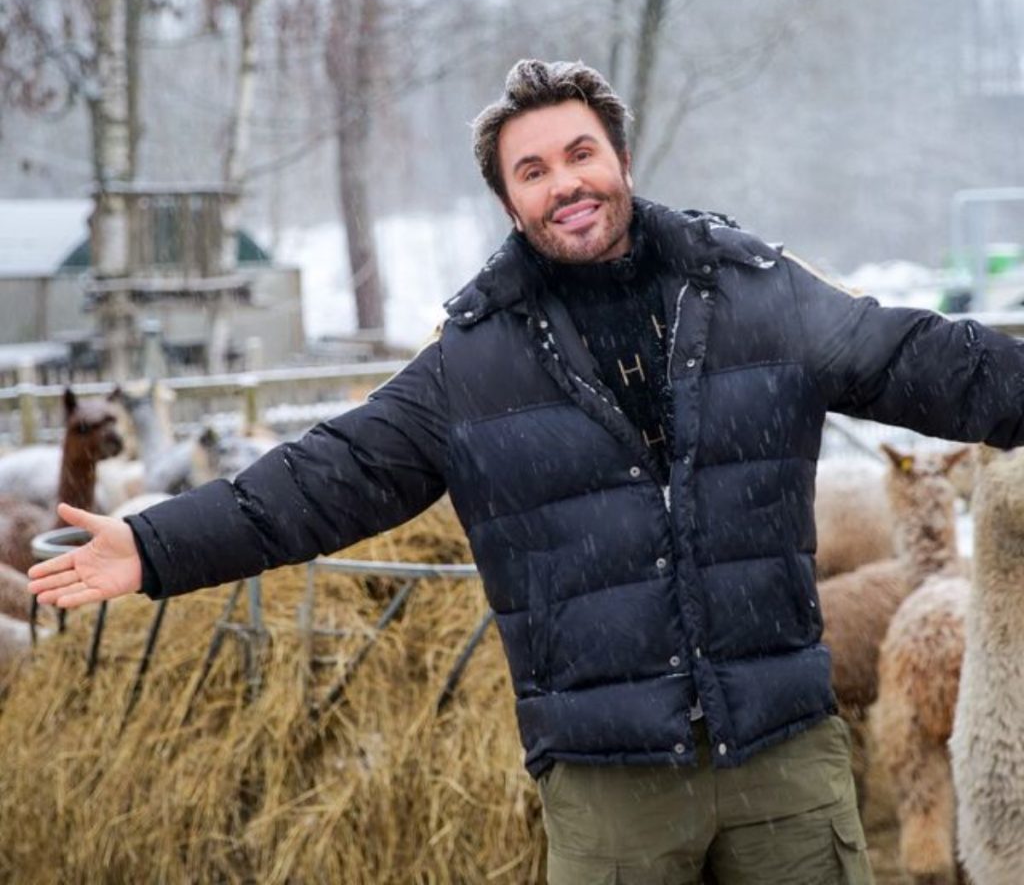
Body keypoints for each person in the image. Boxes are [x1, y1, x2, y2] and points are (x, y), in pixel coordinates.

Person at [30, 59, 1024, 884]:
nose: (565, 183)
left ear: (620, 158)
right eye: (533, 170)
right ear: (509, 200)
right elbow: (327, 476)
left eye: (580, 153)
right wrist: (156, 544)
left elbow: (919, 357)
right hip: (608, 786)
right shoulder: (474, 363)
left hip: (785, 765)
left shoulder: (754, 294)